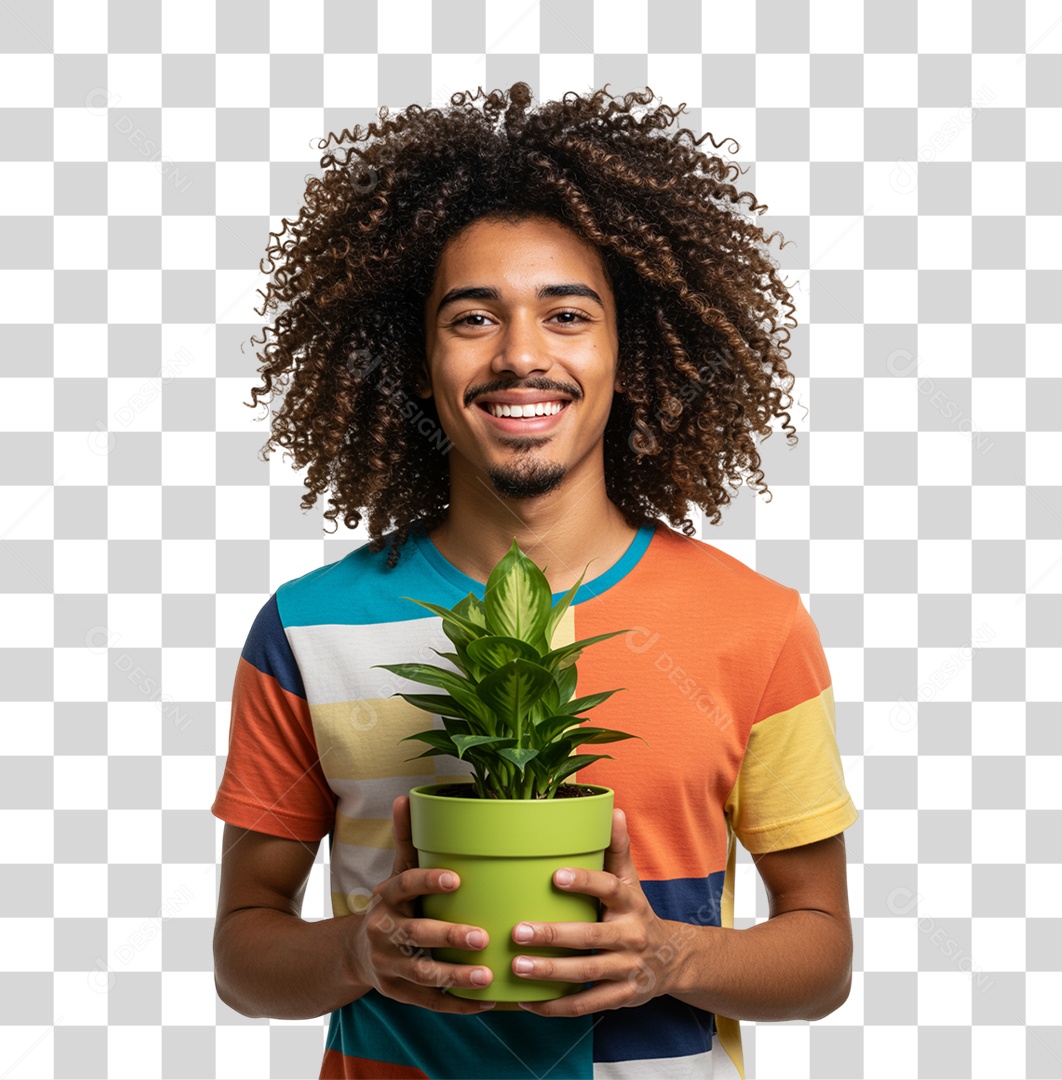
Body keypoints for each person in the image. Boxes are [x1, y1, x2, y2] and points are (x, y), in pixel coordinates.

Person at [211, 83, 858, 1080]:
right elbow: (243, 955)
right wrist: (359, 954)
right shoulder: (307, 627)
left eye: (567, 315)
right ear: (416, 361)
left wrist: (673, 957)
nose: (521, 355)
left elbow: (822, 957)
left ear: (623, 354)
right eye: (473, 317)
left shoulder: (753, 624)